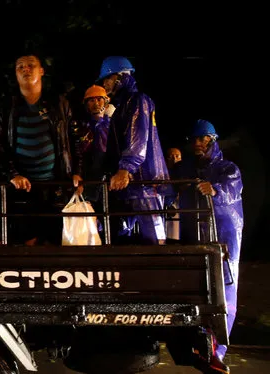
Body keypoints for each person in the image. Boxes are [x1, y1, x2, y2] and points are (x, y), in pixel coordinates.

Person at [172, 120, 243, 373]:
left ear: (213, 140)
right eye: (194, 140)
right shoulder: (188, 168)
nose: (197, 144)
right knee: (197, 287)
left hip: (224, 235)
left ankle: (218, 351)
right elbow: (171, 185)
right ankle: (202, 345)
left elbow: (233, 189)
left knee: (224, 287)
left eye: (202, 140)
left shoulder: (227, 168)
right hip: (195, 233)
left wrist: (214, 190)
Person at [0, 53, 72, 246]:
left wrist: (77, 173)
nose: (26, 69)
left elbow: (73, 139)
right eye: (20, 67)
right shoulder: (6, 107)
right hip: (22, 188)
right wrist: (13, 174)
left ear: (41, 71)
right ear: (15, 74)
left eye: (31, 65)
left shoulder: (59, 104)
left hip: (55, 185)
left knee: (58, 240)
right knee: (26, 239)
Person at [98, 56, 169, 245]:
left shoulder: (138, 101)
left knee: (154, 237)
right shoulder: (120, 105)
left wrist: (126, 168)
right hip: (129, 183)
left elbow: (138, 136)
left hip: (144, 182)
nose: (105, 84)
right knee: (122, 235)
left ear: (120, 77)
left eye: (108, 79)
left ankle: (161, 273)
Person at [71, 85, 113, 201]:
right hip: (88, 174)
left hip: (108, 174)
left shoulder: (113, 125)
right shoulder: (80, 126)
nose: (96, 103)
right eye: (91, 100)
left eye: (99, 99)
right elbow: (77, 152)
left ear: (106, 101)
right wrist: (77, 173)